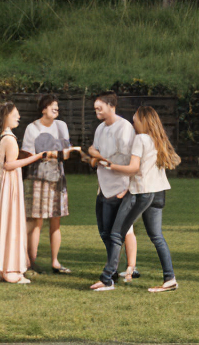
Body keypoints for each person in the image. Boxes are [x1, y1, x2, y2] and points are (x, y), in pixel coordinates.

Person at [93, 106, 179, 292]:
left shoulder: (140, 139)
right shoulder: (157, 139)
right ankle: (170, 278)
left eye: (135, 121)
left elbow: (133, 168)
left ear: (144, 121)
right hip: (158, 193)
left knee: (116, 234)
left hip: (141, 193)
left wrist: (109, 165)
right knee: (157, 236)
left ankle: (107, 279)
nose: (133, 124)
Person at [91, 93, 138, 284]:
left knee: (124, 231)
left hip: (120, 186)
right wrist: (96, 156)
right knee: (105, 232)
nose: (96, 111)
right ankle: (115, 267)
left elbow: (127, 159)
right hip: (104, 187)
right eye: (95, 108)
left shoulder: (124, 127)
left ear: (111, 106)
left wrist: (101, 159)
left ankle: (130, 268)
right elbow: (94, 151)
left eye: (99, 108)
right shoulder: (100, 128)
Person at [3, 100, 52, 284]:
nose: (19, 117)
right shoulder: (9, 138)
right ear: (6, 116)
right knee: (11, 223)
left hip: (6, 183)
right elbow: (9, 165)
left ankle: (6, 266)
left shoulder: (4, 137)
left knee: (6, 223)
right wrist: (37, 157)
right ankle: (10, 269)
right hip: (9, 184)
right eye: (15, 114)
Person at [22, 95, 72, 275]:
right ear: (43, 109)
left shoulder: (61, 126)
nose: (56, 108)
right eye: (52, 106)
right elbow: (29, 154)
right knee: (37, 221)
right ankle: (31, 262)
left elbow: (66, 153)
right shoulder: (32, 128)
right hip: (38, 178)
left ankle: (55, 262)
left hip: (57, 178)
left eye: (57, 106)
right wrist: (53, 153)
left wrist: (49, 153)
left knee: (56, 221)